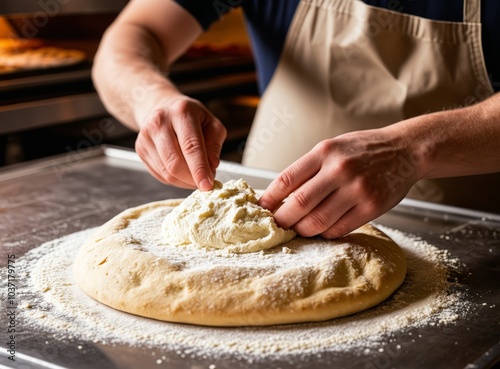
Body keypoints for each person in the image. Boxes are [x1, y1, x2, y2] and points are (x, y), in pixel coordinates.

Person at [92, 0, 500, 239]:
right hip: (275, 228)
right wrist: (152, 99)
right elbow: (134, 33)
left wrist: (412, 150)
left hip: (473, 237)